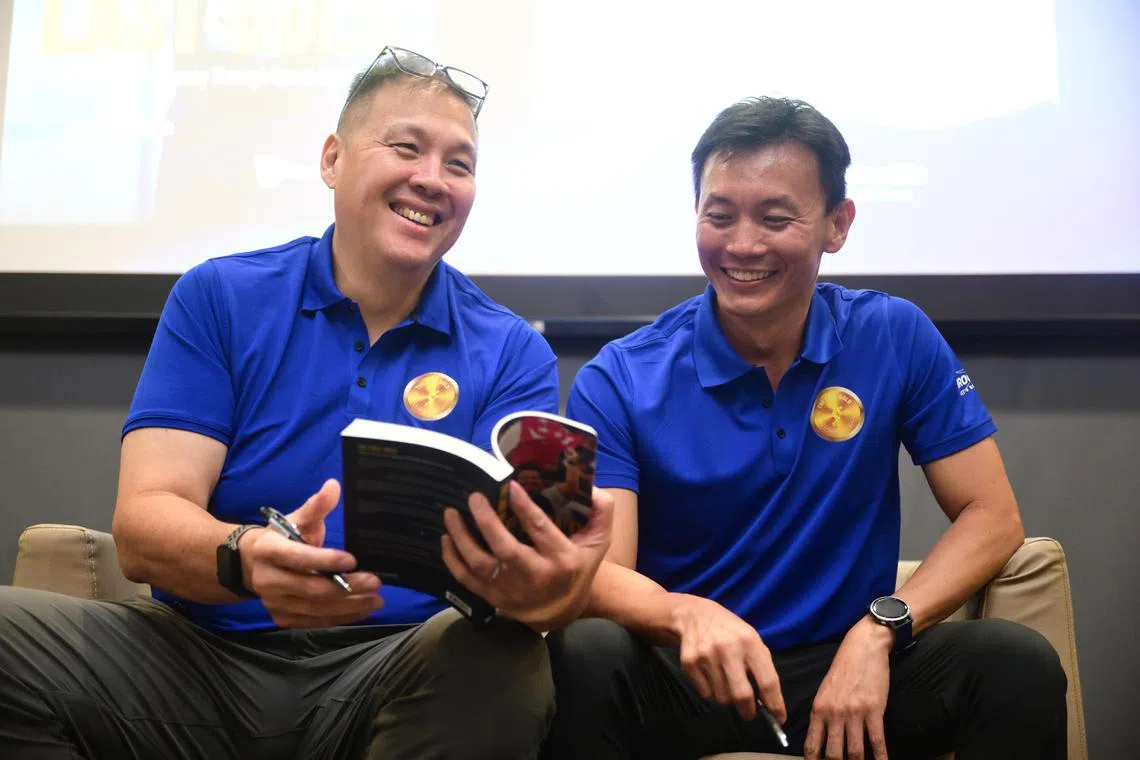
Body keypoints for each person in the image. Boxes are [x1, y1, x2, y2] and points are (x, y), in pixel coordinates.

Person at [0, 46, 613, 760]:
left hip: (398, 667)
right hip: (196, 659)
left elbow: (528, 588)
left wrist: (553, 587)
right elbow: (143, 524)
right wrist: (245, 559)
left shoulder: (512, 352)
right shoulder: (220, 297)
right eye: (406, 147)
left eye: (459, 164)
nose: (431, 179)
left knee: (502, 659)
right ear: (332, 159)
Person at [540, 96, 1066, 760]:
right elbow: (594, 569)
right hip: (689, 675)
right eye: (719, 215)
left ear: (836, 225)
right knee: (585, 650)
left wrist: (880, 632)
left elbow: (993, 516)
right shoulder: (616, 376)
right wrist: (683, 613)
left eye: (775, 218)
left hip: (847, 669)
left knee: (1016, 663)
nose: (742, 244)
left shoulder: (893, 334)